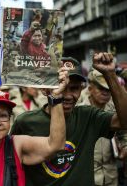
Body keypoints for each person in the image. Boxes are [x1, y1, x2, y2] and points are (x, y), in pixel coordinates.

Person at [11, 53, 127, 186]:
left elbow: (123, 121)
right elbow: (10, 163)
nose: (67, 96)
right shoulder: (25, 122)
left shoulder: (88, 117)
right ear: (44, 89)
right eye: (60, 87)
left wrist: (110, 74)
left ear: (82, 89)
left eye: (74, 88)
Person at [78, 69, 118, 186]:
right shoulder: (79, 111)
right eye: (101, 88)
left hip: (111, 175)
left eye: (108, 90)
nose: (105, 93)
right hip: (88, 176)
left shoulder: (114, 112)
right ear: (90, 89)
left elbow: (123, 132)